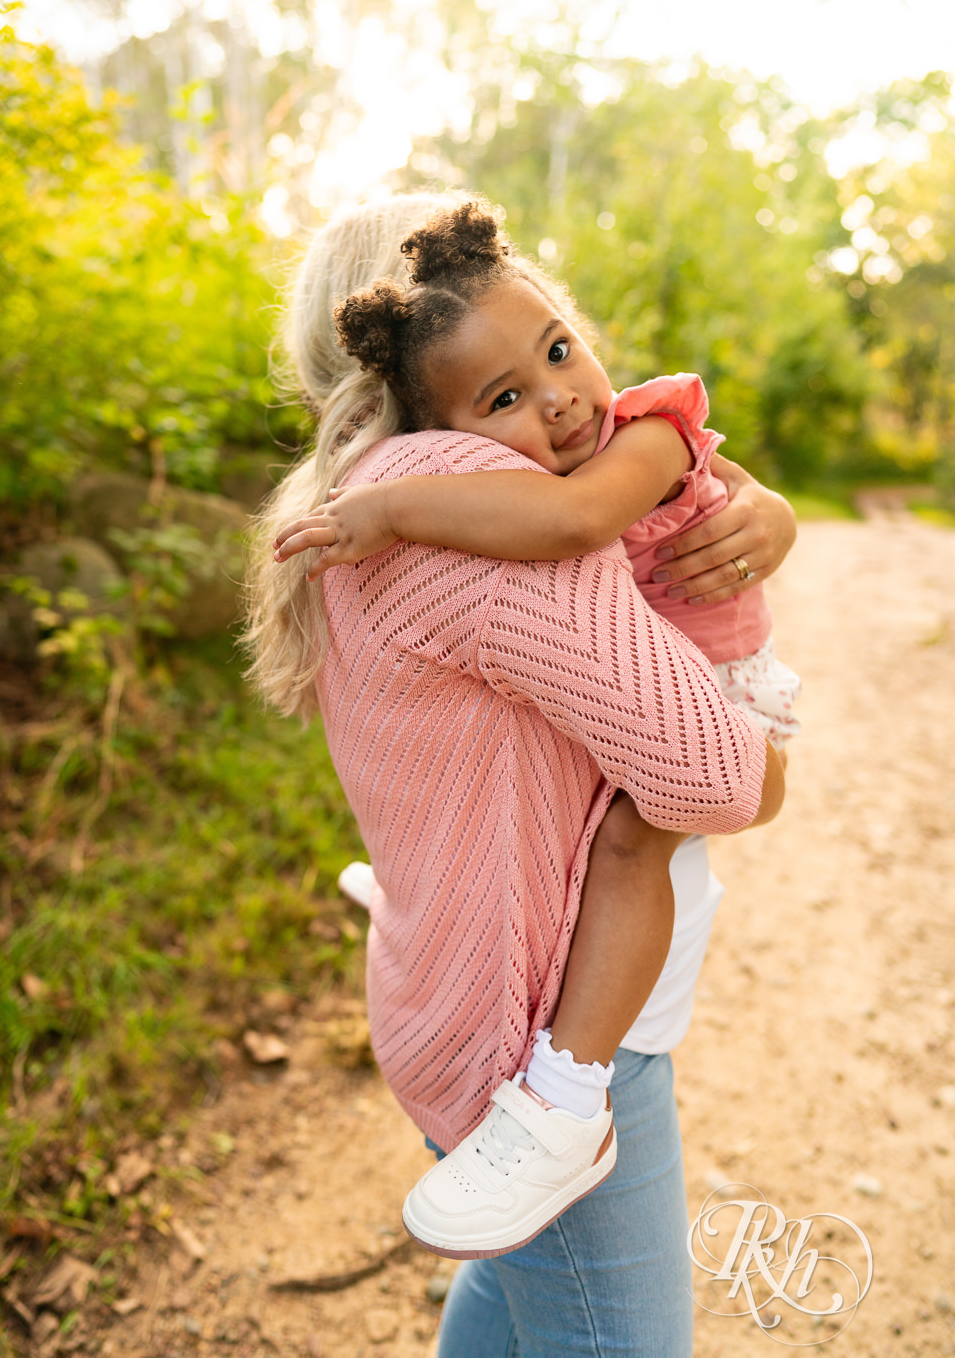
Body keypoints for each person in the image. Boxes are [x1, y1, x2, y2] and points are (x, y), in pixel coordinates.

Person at [244, 191, 795, 1355]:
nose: (551, 394)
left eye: (554, 347)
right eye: (498, 392)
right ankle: (564, 1105)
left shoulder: (390, 502)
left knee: (521, 1297)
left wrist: (770, 518)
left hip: (452, 986)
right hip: (538, 1040)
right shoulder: (453, 511)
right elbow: (713, 783)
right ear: (409, 388)